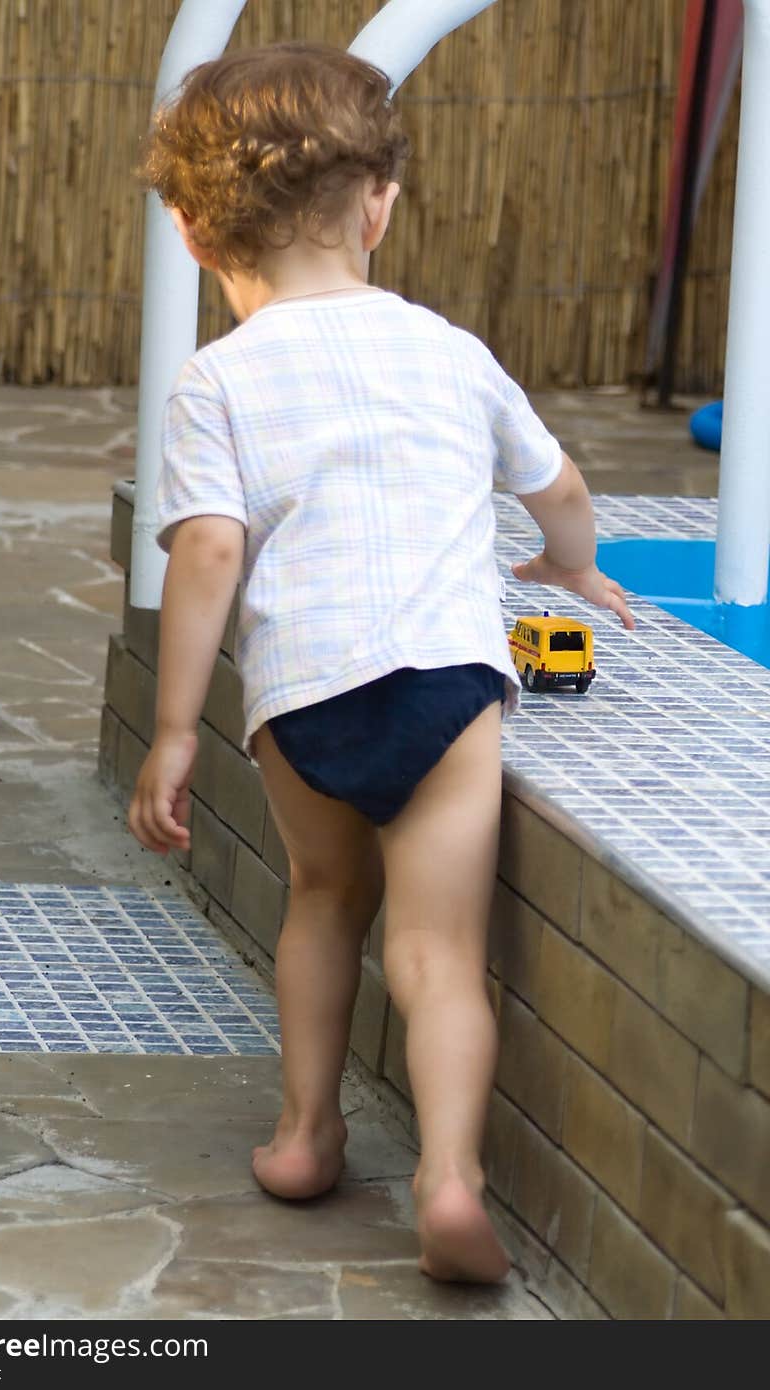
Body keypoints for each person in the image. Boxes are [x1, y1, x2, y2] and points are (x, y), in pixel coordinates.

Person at [127, 41, 635, 1283]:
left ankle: (305, 1136)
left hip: (304, 697)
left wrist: (178, 726)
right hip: (445, 682)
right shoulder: (447, 349)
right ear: (379, 207)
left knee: (323, 901)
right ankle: (450, 1175)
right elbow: (556, 486)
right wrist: (569, 564)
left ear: (192, 237)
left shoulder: (217, 381)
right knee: (437, 950)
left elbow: (204, 552)